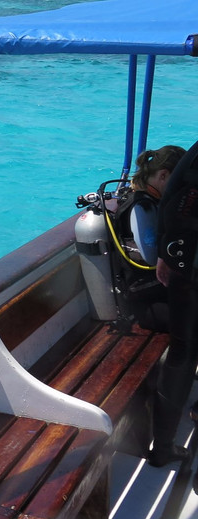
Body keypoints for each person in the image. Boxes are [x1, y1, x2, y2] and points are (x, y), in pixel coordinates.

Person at [148, 140, 198, 466]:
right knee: (181, 354)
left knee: (181, 353)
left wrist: (166, 252)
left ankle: (162, 448)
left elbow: (174, 198)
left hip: (184, 269)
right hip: (187, 268)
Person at [109, 145, 185, 330]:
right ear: (163, 175)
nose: (181, 188)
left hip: (165, 290)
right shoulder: (142, 207)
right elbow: (152, 257)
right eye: (179, 181)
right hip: (148, 301)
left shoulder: (156, 200)